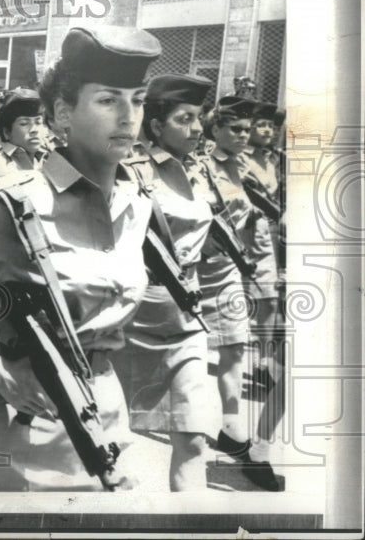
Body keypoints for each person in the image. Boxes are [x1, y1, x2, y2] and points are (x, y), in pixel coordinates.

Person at [0, 25, 159, 491]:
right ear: (63, 113)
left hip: (104, 415)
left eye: (138, 100)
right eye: (108, 100)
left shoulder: (137, 201)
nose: (129, 117)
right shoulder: (19, 204)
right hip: (22, 425)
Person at [111, 73, 215, 491]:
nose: (197, 128)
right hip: (132, 322)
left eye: (199, 118)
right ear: (155, 126)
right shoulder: (129, 172)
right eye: (184, 119)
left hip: (187, 321)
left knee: (193, 443)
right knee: (110, 447)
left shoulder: (195, 169)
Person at [196, 96, 280, 490]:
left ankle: (232, 429)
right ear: (214, 131)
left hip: (234, 268)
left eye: (247, 130)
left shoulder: (243, 168)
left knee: (234, 348)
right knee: (190, 354)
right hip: (198, 273)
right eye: (235, 130)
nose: (244, 136)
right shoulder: (198, 168)